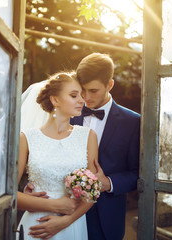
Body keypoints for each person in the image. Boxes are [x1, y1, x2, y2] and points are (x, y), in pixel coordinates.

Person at [27, 53, 140, 240]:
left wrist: (110, 183)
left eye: (93, 91)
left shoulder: (133, 122)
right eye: (81, 90)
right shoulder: (67, 110)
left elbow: (139, 173)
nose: (85, 97)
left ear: (110, 85)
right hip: (58, 212)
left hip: (105, 219)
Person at [16, 71, 99, 240]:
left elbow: (92, 191)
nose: (82, 100)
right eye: (74, 95)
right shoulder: (26, 138)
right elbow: (9, 194)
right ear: (55, 100)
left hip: (72, 226)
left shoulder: (88, 136)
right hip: (36, 225)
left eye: (81, 96)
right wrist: (54, 205)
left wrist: (66, 221)